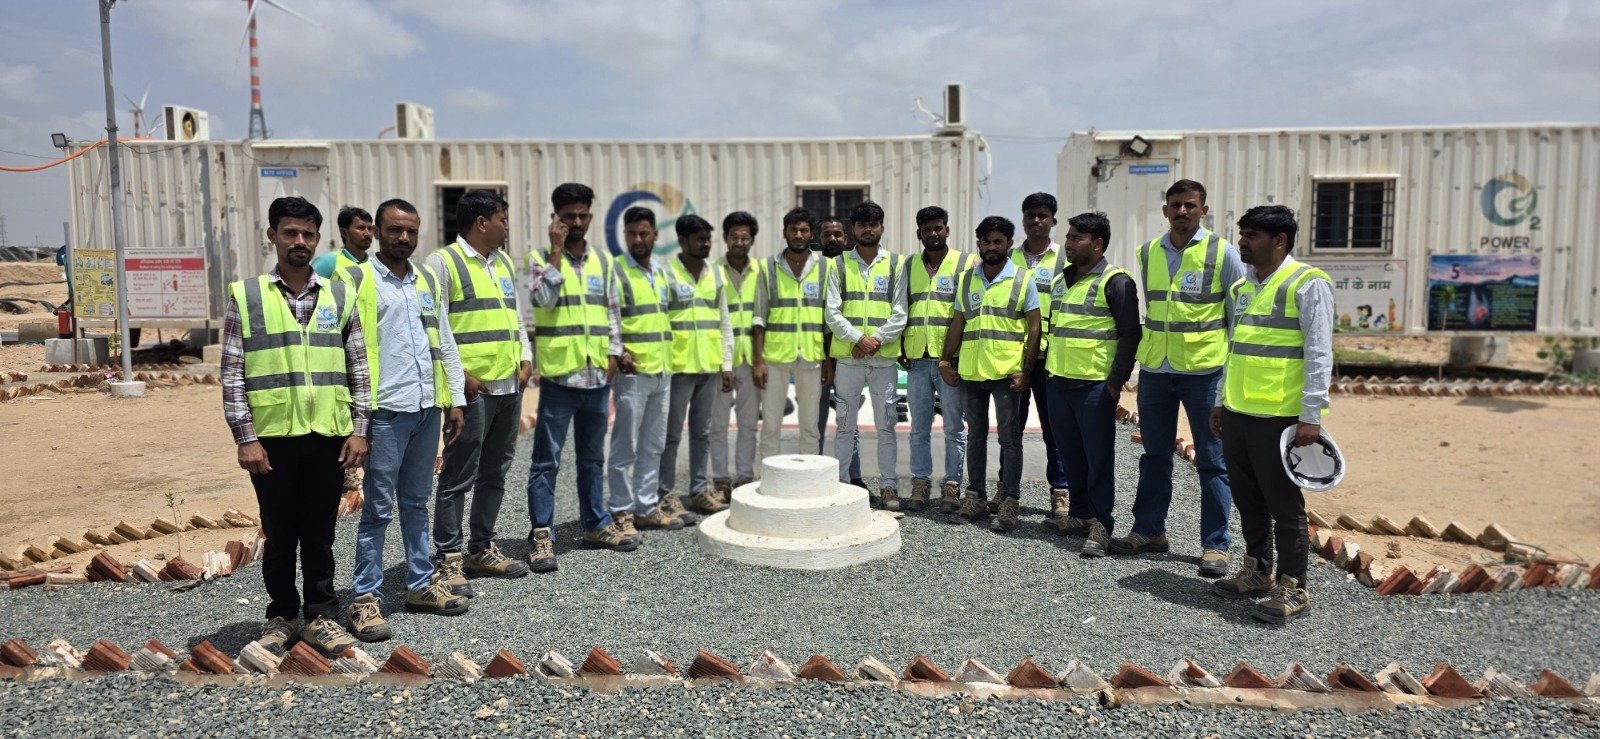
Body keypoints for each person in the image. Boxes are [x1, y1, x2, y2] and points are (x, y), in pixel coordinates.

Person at [221, 195, 369, 657]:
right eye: (290, 233)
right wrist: (246, 438)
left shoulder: (340, 295)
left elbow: (358, 367)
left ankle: (322, 615)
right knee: (280, 531)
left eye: (307, 234)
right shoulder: (246, 296)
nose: (299, 242)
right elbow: (231, 374)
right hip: (273, 440)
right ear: (273, 236)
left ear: (318, 239)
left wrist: (360, 428)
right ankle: (283, 616)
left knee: (321, 532)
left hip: (328, 435)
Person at [340, 198, 470, 642]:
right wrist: (356, 418)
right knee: (377, 508)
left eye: (411, 231)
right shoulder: (356, 279)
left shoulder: (426, 280)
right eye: (395, 230)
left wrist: (453, 399)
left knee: (416, 503)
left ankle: (418, 584)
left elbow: (445, 340)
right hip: (383, 413)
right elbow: (344, 350)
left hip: (424, 408)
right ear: (376, 231)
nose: (404, 239)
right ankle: (365, 598)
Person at [1114, 179, 1244, 578]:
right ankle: (1149, 531)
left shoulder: (1223, 254)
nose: (1182, 211)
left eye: (1190, 205)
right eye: (1176, 205)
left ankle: (1215, 545)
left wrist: (1227, 384)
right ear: (1165, 209)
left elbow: (1237, 320)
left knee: (1212, 459)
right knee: (1154, 455)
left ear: (1204, 210)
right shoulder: (1149, 251)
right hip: (1156, 370)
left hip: (1204, 372)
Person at [1209, 205, 1333, 625]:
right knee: (1248, 499)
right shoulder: (1243, 288)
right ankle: (1258, 570)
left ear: (1280, 241)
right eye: (1242, 233)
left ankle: (1293, 586)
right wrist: (1222, 400)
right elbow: (1235, 350)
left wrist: (1310, 415)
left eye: (1253, 235)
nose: (1242, 242)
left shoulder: (1307, 284)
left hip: (1280, 417)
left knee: (1284, 505)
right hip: (1241, 411)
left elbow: (1319, 353)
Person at [425, 189, 533, 590]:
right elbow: (432, 325)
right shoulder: (443, 262)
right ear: (482, 222)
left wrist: (525, 356)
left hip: (508, 385)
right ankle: (449, 558)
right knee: (457, 475)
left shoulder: (502, 262)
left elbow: (515, 316)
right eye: (503, 217)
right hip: (472, 391)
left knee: (495, 472)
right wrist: (459, 380)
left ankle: (481, 547)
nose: (507, 224)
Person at [526, 182, 635, 570]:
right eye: (568, 216)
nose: (576, 222)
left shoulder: (603, 262)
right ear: (556, 218)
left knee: (592, 459)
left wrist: (614, 353)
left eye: (582, 215)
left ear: (590, 216)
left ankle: (595, 523)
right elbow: (541, 299)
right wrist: (556, 251)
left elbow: (612, 313)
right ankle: (542, 534)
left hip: (595, 377)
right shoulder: (539, 258)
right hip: (560, 378)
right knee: (546, 461)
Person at [1043, 212, 1140, 558]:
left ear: (1097, 244)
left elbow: (1131, 335)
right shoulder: (1061, 281)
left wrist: (1116, 384)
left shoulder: (1116, 282)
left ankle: (1102, 523)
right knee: (1071, 454)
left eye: (1076, 238)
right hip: (1059, 382)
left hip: (1094, 387)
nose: (1068, 244)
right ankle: (1081, 514)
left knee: (1098, 458)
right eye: (1068, 237)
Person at [939, 216, 1041, 532]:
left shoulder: (1024, 279)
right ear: (979, 244)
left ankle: (1009, 501)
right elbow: (957, 322)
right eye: (986, 241)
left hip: (1008, 374)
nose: (992, 247)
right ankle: (976, 497)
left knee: (1010, 439)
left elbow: (1034, 326)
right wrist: (945, 361)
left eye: (998, 241)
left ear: (1009, 244)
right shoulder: (968, 279)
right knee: (976, 436)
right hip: (972, 371)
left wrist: (1027, 370)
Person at [608, 207, 689, 531]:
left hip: (661, 371)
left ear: (655, 235)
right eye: (632, 234)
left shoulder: (662, 271)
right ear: (625, 235)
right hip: (633, 373)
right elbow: (608, 316)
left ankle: (645, 506)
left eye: (644, 233)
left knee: (653, 444)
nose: (638, 239)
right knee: (624, 445)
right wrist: (618, 351)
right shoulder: (617, 271)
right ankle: (621, 510)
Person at [826, 200, 907, 504]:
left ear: (881, 227)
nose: (868, 229)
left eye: (873, 224)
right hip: (849, 360)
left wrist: (875, 340)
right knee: (845, 425)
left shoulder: (897, 264)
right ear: (853, 229)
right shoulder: (838, 265)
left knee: (886, 425)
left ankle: (888, 486)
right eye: (862, 224)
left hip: (884, 361)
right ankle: (843, 485)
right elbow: (832, 313)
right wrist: (859, 339)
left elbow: (900, 312)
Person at [659, 214, 736, 514]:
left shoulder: (715, 276)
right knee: (671, 434)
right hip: (678, 366)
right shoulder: (667, 275)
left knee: (702, 432)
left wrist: (726, 364)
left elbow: (724, 322)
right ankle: (664, 493)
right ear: (682, 241)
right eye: (699, 238)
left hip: (709, 366)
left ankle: (698, 491)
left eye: (708, 238)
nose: (706, 243)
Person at [900, 205, 974, 513]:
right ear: (919, 233)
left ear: (947, 229)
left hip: (950, 361)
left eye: (938, 228)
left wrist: (956, 357)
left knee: (954, 427)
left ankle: (952, 486)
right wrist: (901, 346)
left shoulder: (965, 263)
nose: (933, 233)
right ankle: (920, 483)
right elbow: (903, 307)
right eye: (927, 229)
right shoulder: (909, 265)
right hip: (917, 359)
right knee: (919, 426)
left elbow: (970, 312)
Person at [1007, 192, 1069, 524]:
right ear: (1023, 218)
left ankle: (1060, 492)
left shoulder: (1065, 259)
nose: (1036, 221)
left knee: (1053, 430)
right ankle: (1007, 492)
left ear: (1053, 220)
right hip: (1013, 357)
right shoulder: (1009, 259)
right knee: (1010, 429)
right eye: (1031, 215)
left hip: (1050, 358)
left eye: (1043, 216)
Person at [752, 208, 829, 463]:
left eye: (804, 230)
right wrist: (758, 361)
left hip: (812, 354)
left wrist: (829, 360)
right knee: (771, 423)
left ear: (812, 234)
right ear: (784, 232)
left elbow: (828, 318)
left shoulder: (824, 268)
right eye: (793, 230)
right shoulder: (768, 267)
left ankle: (810, 474)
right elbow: (759, 317)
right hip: (775, 356)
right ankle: (767, 475)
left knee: (810, 424)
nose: (798, 235)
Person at [710, 211, 764, 494]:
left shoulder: (761, 271)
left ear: (752, 240)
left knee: (748, 423)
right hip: (722, 359)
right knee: (717, 424)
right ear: (725, 238)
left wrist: (760, 360)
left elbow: (761, 318)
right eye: (734, 237)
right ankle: (720, 479)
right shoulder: (713, 271)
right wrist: (722, 361)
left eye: (745, 238)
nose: (739, 242)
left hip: (750, 359)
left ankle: (744, 477)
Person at [815, 215, 864, 488]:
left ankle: (853, 477)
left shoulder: (852, 268)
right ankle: (817, 474)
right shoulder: (815, 270)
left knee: (849, 421)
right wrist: (826, 359)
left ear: (846, 238)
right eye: (826, 235)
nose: (832, 239)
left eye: (837, 235)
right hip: (822, 358)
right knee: (817, 421)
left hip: (849, 355)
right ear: (819, 239)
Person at [312, 206, 373, 279]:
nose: (367, 233)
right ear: (344, 232)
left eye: (370, 228)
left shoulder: (374, 265)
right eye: (360, 228)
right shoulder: (327, 263)